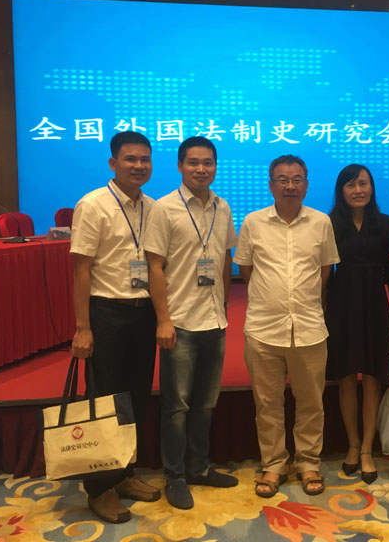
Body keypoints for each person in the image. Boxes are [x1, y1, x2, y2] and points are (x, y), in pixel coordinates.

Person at [234, 155, 339, 498]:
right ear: (271, 185)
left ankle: (308, 462)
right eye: (282, 179)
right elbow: (246, 270)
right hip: (264, 328)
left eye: (296, 179)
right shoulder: (253, 222)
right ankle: (274, 464)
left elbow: (325, 270)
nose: (290, 186)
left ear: (306, 185)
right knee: (267, 404)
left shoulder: (321, 222)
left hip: (309, 327)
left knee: (311, 402)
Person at [70, 131, 161, 523]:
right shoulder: (93, 205)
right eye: (130, 159)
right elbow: (81, 269)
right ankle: (99, 488)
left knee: (135, 397)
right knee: (104, 400)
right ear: (113, 163)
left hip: (143, 313)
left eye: (144, 159)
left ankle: (124, 473)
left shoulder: (152, 207)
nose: (138, 166)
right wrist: (83, 327)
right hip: (106, 313)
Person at [144, 137, 239, 510]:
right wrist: (163, 320)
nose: (202, 169)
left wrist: (224, 308)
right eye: (194, 162)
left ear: (216, 166)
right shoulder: (163, 208)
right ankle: (175, 476)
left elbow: (224, 260)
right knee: (177, 407)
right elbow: (154, 267)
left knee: (205, 403)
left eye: (208, 162)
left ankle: (199, 467)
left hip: (214, 320)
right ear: (180, 165)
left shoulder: (223, 207)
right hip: (179, 322)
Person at [325, 164, 389, 484]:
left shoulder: (385, 223)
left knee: (371, 377)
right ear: (341, 190)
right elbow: (324, 270)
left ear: (372, 188)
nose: (358, 190)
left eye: (364, 183)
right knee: (345, 377)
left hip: (374, 303)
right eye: (351, 185)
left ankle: (368, 447)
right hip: (341, 303)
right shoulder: (330, 223)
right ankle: (353, 445)